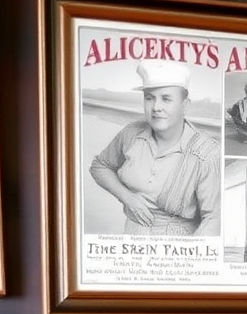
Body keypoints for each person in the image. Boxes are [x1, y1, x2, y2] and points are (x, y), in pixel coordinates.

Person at [89, 61, 221, 237]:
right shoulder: (132, 134)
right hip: (131, 242)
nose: (156, 107)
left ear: (185, 105)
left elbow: (214, 218)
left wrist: (192, 260)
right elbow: (100, 166)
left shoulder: (207, 153)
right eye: (149, 98)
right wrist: (127, 197)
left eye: (166, 99)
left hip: (179, 252)